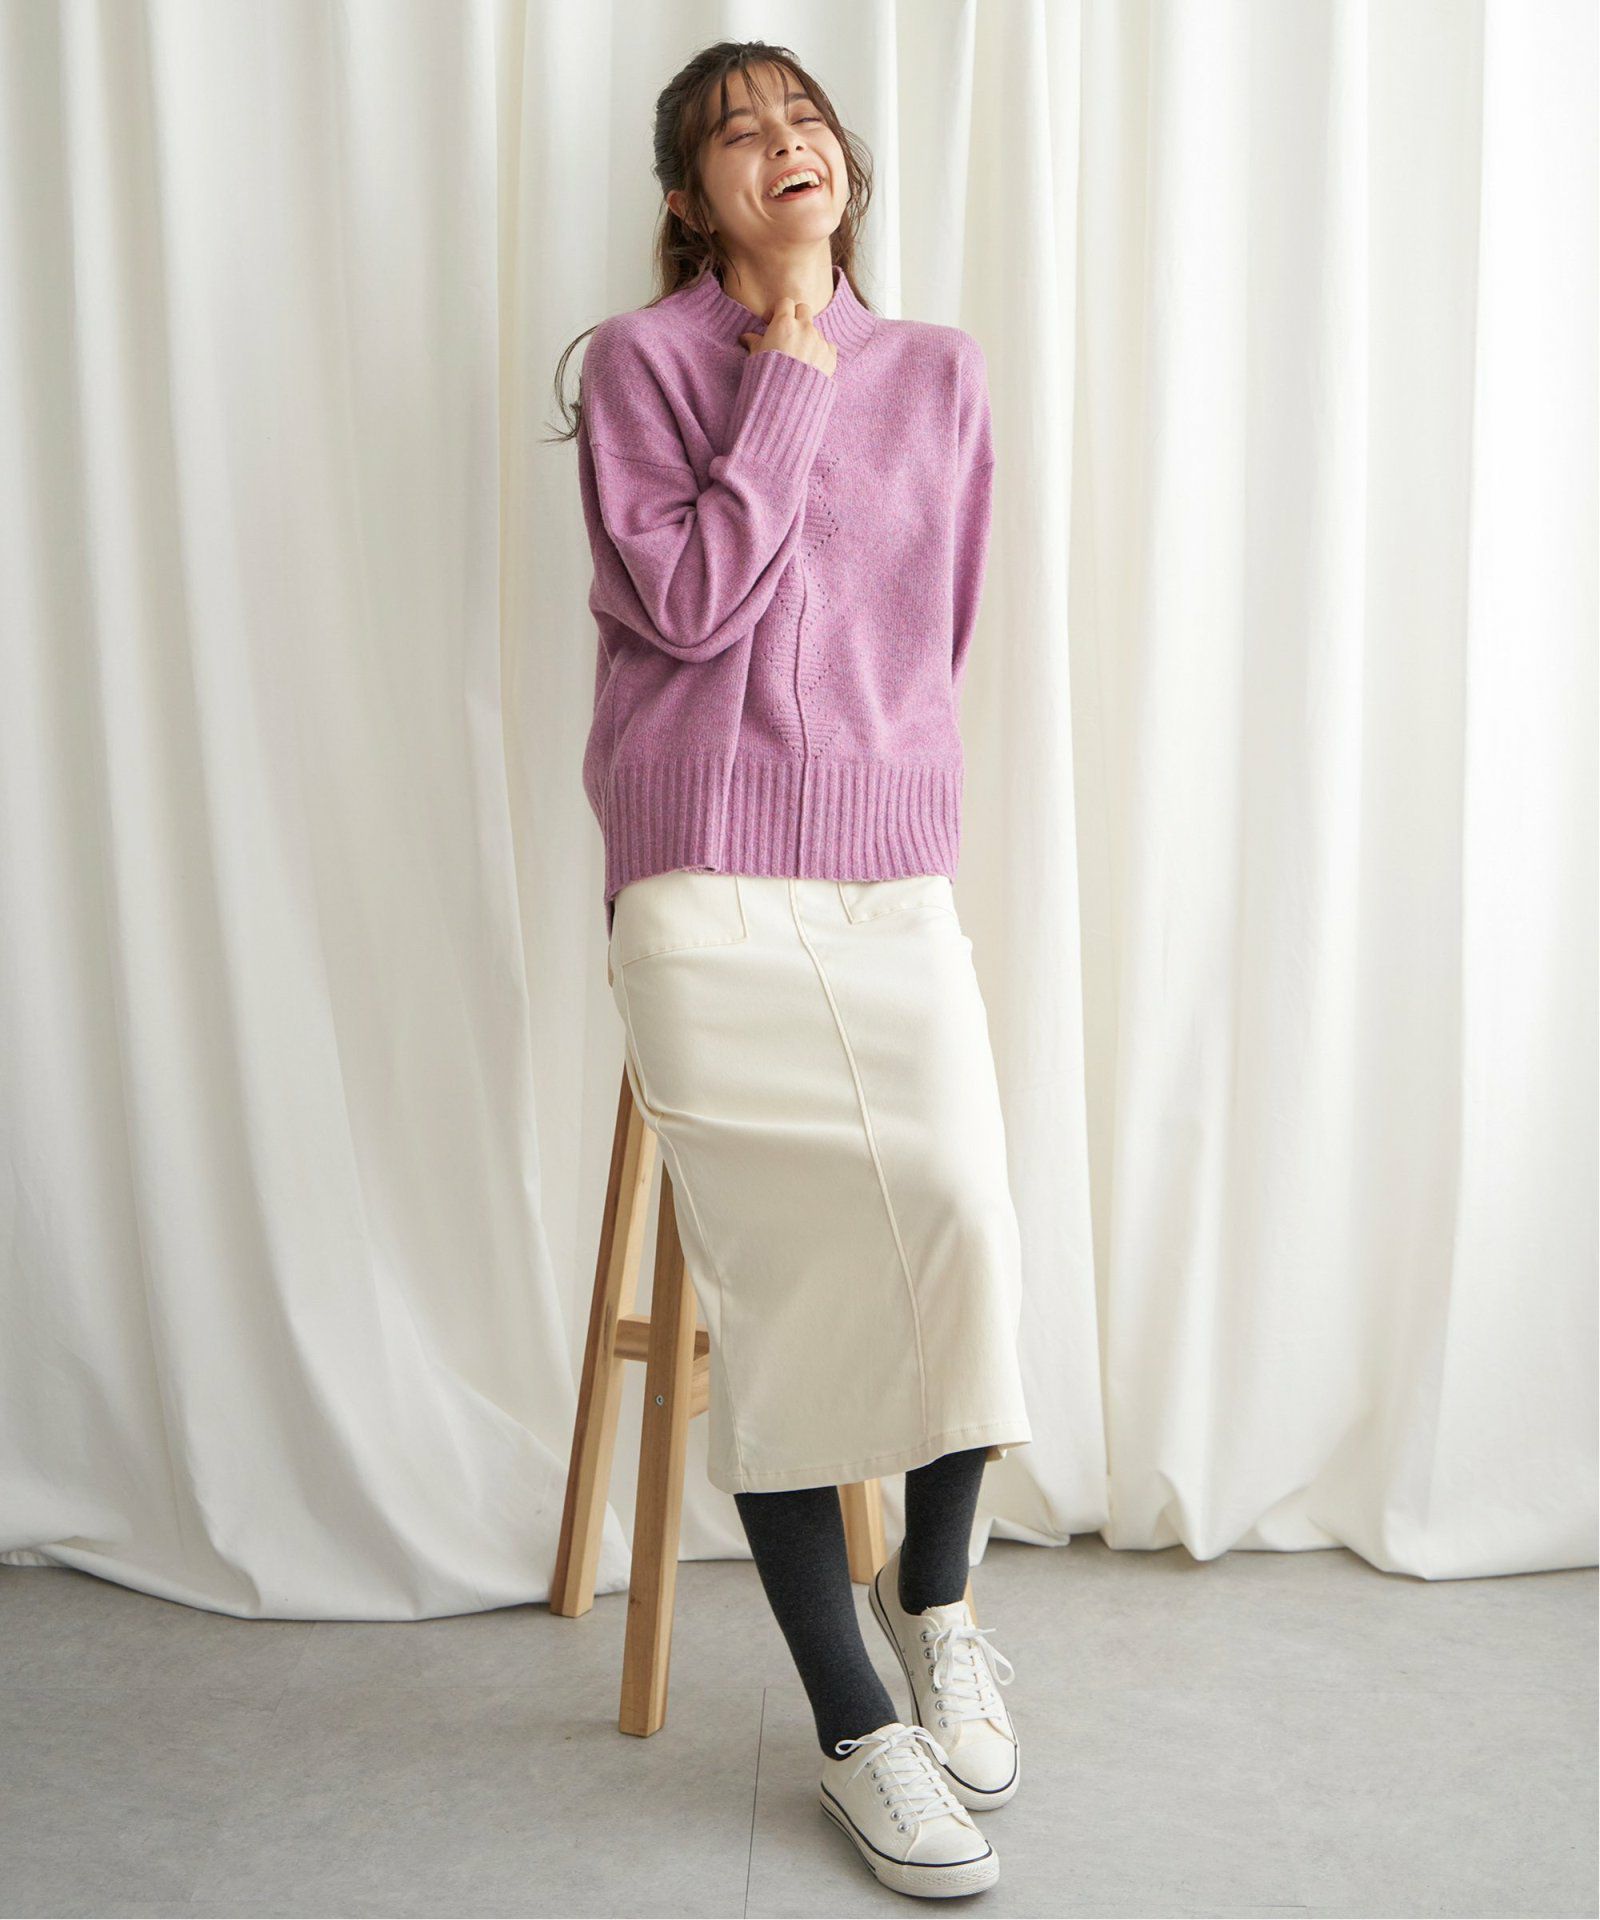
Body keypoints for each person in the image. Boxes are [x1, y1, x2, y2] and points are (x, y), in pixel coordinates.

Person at [551, 40, 1031, 1900]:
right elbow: (684, 607)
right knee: (790, 1277)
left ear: (846, 159)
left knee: (961, 1212)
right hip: (697, 872)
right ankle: (851, 1726)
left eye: (803, 115)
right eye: (735, 134)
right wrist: (787, 383)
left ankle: (937, 1602)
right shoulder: (642, 365)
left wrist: (883, 785)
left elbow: (930, 630)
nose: (782, 143)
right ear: (693, 200)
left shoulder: (945, 375)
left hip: (885, 865)